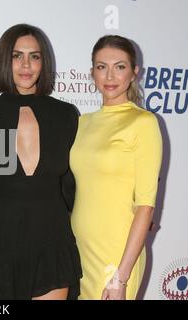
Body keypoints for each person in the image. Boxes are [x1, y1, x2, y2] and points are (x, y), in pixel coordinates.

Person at [0, 24, 82, 300]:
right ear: (4, 60)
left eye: (35, 56)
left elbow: (77, 179)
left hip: (51, 239)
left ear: (44, 62)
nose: (26, 65)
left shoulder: (66, 115)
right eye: (17, 56)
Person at [70, 35, 162, 300]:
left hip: (117, 254)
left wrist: (121, 278)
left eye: (120, 66)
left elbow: (145, 205)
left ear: (134, 73)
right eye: (101, 66)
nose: (110, 75)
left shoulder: (143, 123)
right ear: (92, 72)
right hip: (78, 249)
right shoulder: (82, 122)